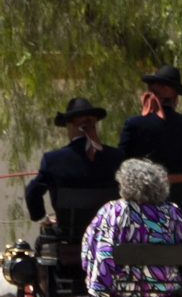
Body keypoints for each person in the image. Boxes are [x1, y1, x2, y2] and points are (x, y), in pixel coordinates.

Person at [80, 158, 182, 297]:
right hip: (163, 290)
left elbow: (93, 248)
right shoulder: (172, 212)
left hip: (122, 290)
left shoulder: (114, 211)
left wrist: (98, 287)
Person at [23, 97, 125, 249]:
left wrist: (42, 218)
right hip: (108, 236)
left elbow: (32, 192)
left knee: (41, 243)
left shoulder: (53, 159)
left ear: (70, 125)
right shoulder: (117, 157)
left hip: (69, 237)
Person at [118, 64, 182, 211]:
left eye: (151, 86)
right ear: (175, 97)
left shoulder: (134, 124)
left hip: (143, 199)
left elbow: (121, 161)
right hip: (181, 199)